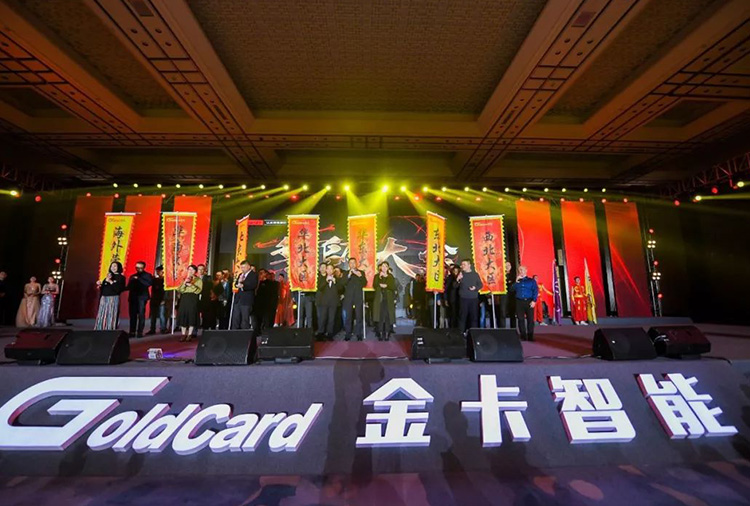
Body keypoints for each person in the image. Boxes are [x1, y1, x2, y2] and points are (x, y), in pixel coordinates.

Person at [510, 266, 538, 341]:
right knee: (520, 319)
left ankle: (530, 335)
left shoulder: (531, 281)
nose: (521, 271)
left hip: (529, 301)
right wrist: (516, 281)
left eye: (522, 270)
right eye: (519, 270)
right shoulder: (517, 281)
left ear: (526, 270)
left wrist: (534, 301)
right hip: (519, 302)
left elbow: (535, 291)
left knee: (530, 319)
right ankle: (523, 335)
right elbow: (511, 289)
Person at [94, 262, 125, 330]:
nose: (113, 268)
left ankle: (110, 328)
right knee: (102, 314)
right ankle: (100, 328)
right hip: (104, 298)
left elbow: (119, 289)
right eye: (112, 266)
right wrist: (100, 285)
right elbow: (104, 288)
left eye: (115, 266)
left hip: (113, 298)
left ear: (119, 267)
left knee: (111, 314)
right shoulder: (108, 276)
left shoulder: (121, 277)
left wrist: (110, 281)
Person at [125, 261, 152, 338]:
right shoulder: (133, 276)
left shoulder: (147, 275)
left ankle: (140, 332)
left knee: (141, 315)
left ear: (143, 267)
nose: (138, 269)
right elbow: (129, 287)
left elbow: (149, 284)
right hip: (133, 298)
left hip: (142, 298)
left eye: (140, 267)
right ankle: (132, 332)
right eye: (137, 267)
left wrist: (139, 279)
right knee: (132, 315)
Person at [343, 257, 366, 341]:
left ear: (356, 264)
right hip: (348, 298)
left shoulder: (361, 272)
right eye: (351, 263)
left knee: (359, 316)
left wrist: (360, 276)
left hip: (358, 297)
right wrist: (349, 275)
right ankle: (348, 334)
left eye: (354, 263)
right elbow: (342, 283)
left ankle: (359, 334)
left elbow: (364, 283)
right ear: (349, 264)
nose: (352, 264)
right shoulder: (345, 273)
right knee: (348, 317)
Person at [176, 264, 202, 341]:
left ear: (195, 271)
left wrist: (191, 285)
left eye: (192, 270)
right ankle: (183, 334)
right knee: (183, 315)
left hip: (193, 298)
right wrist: (185, 283)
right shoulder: (184, 278)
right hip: (184, 298)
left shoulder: (198, 280)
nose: (190, 271)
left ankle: (189, 334)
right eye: (189, 269)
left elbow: (198, 290)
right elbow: (180, 289)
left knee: (191, 315)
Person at [372, 261, 396, 341]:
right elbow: (375, 285)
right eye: (383, 266)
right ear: (380, 268)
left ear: (388, 268)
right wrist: (380, 281)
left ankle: (387, 333)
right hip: (379, 299)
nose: (384, 268)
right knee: (380, 316)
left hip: (388, 299)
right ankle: (380, 332)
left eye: (386, 266)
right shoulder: (377, 276)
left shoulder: (390, 276)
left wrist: (386, 285)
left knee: (387, 316)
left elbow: (393, 287)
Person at [457, 259, 482, 333]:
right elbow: (454, 286)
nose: (462, 266)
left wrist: (475, 288)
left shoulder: (475, 274)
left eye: (464, 264)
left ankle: (474, 333)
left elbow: (480, 285)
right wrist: (458, 279)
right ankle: (461, 333)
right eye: (462, 265)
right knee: (462, 317)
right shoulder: (461, 274)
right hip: (463, 299)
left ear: (469, 265)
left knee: (474, 317)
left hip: (473, 299)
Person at [231, 261, 257, 330]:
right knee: (236, 318)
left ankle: (244, 333)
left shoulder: (253, 275)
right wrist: (239, 281)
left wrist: (243, 285)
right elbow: (236, 284)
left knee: (245, 319)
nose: (242, 269)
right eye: (241, 267)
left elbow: (253, 285)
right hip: (238, 299)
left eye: (244, 267)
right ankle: (234, 332)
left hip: (246, 300)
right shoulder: (241, 274)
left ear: (248, 267)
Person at [316, 264, 339, 340]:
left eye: (331, 269)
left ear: (333, 270)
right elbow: (319, 288)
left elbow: (341, 289)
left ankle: (330, 334)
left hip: (333, 302)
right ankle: (321, 333)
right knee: (322, 319)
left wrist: (335, 282)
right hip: (324, 302)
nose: (329, 270)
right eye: (328, 269)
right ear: (326, 270)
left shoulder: (337, 278)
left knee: (331, 319)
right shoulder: (322, 278)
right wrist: (326, 281)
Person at [146, 265, 167, 335]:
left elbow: (165, 291)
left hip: (162, 299)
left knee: (162, 315)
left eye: (159, 271)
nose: (158, 273)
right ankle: (152, 329)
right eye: (157, 271)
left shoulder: (165, 281)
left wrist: (164, 299)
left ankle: (163, 328)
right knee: (153, 315)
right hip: (154, 299)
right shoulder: (154, 280)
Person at [197, 264, 214, 331]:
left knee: (205, 314)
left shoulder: (208, 278)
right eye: (199, 269)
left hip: (205, 297)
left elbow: (210, 287)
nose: (200, 271)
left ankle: (205, 328)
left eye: (202, 269)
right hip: (196, 298)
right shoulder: (195, 278)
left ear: (204, 270)